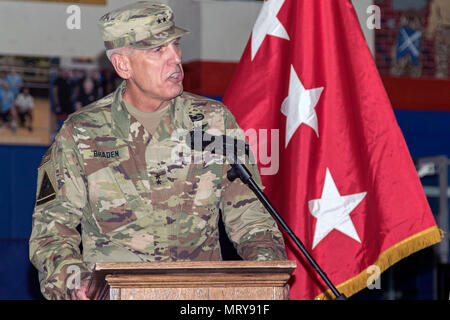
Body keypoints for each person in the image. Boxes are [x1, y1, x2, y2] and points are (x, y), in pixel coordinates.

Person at [29, 1, 287, 300]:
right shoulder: (81, 132)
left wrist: (265, 277)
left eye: (175, 44)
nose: (176, 58)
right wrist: (75, 282)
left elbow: (251, 218)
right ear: (123, 65)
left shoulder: (214, 121)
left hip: (201, 298)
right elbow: (52, 230)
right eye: (157, 50)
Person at [426, 0, 450, 78]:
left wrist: (430, 33)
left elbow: (434, 17)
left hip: (442, 30)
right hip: (443, 30)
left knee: (441, 61)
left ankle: (441, 84)